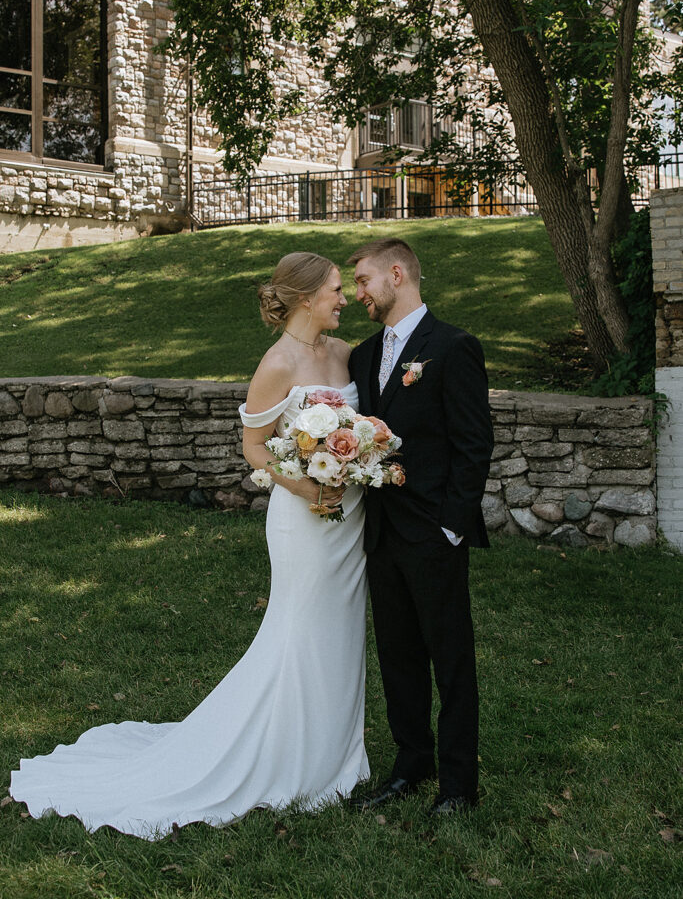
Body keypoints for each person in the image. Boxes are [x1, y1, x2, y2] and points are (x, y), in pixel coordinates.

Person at [9, 252, 369, 839]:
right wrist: (309, 487)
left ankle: (332, 752)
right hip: (304, 517)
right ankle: (285, 754)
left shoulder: (344, 353)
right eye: (335, 289)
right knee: (300, 628)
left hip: (349, 515)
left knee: (342, 629)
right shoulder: (277, 363)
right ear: (305, 297)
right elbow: (254, 448)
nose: (344, 297)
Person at [347, 238, 493, 815]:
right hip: (381, 532)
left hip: (434, 532)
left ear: (396, 274)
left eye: (363, 280)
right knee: (398, 656)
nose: (358, 293)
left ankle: (458, 785)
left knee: (450, 659)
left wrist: (452, 527)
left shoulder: (453, 347)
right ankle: (411, 764)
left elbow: (473, 444)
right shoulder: (362, 355)